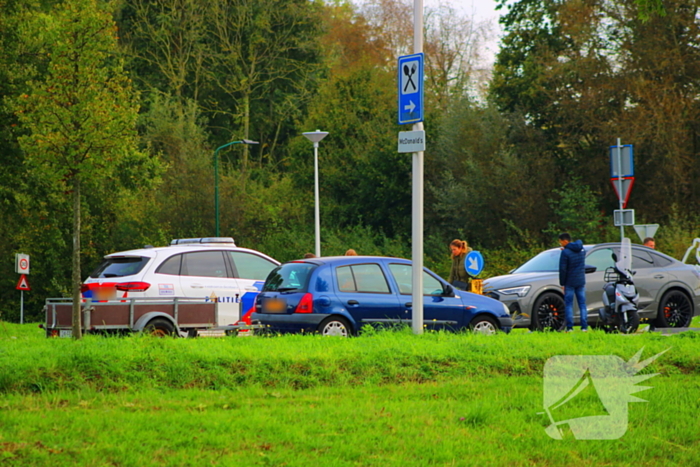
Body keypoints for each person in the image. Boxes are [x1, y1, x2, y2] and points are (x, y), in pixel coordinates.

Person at [558, 232, 588, 332]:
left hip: (570, 282)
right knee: (582, 304)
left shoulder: (565, 253)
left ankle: (570, 327)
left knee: (569, 304)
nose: (560, 244)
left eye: (561, 242)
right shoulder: (581, 250)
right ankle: (584, 327)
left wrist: (562, 283)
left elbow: (563, 269)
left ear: (565, 241)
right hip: (580, 281)